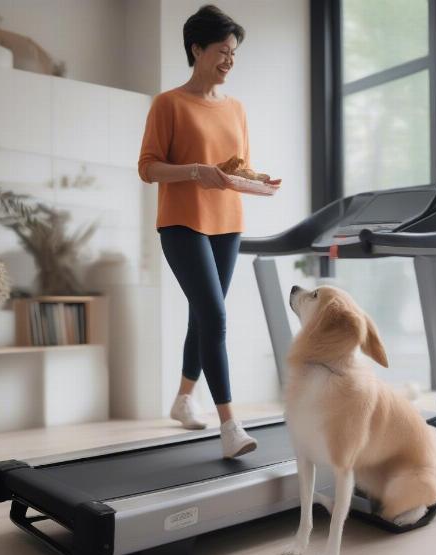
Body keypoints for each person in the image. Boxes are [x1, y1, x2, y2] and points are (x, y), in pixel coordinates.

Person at [138, 5, 262, 458]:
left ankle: (184, 398)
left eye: (234, 53)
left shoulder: (237, 109)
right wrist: (194, 171)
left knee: (204, 314)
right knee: (216, 316)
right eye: (222, 51)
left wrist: (258, 179)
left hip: (228, 222)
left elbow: (238, 166)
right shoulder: (168, 103)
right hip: (181, 223)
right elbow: (148, 168)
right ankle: (230, 426)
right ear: (197, 49)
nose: (230, 59)